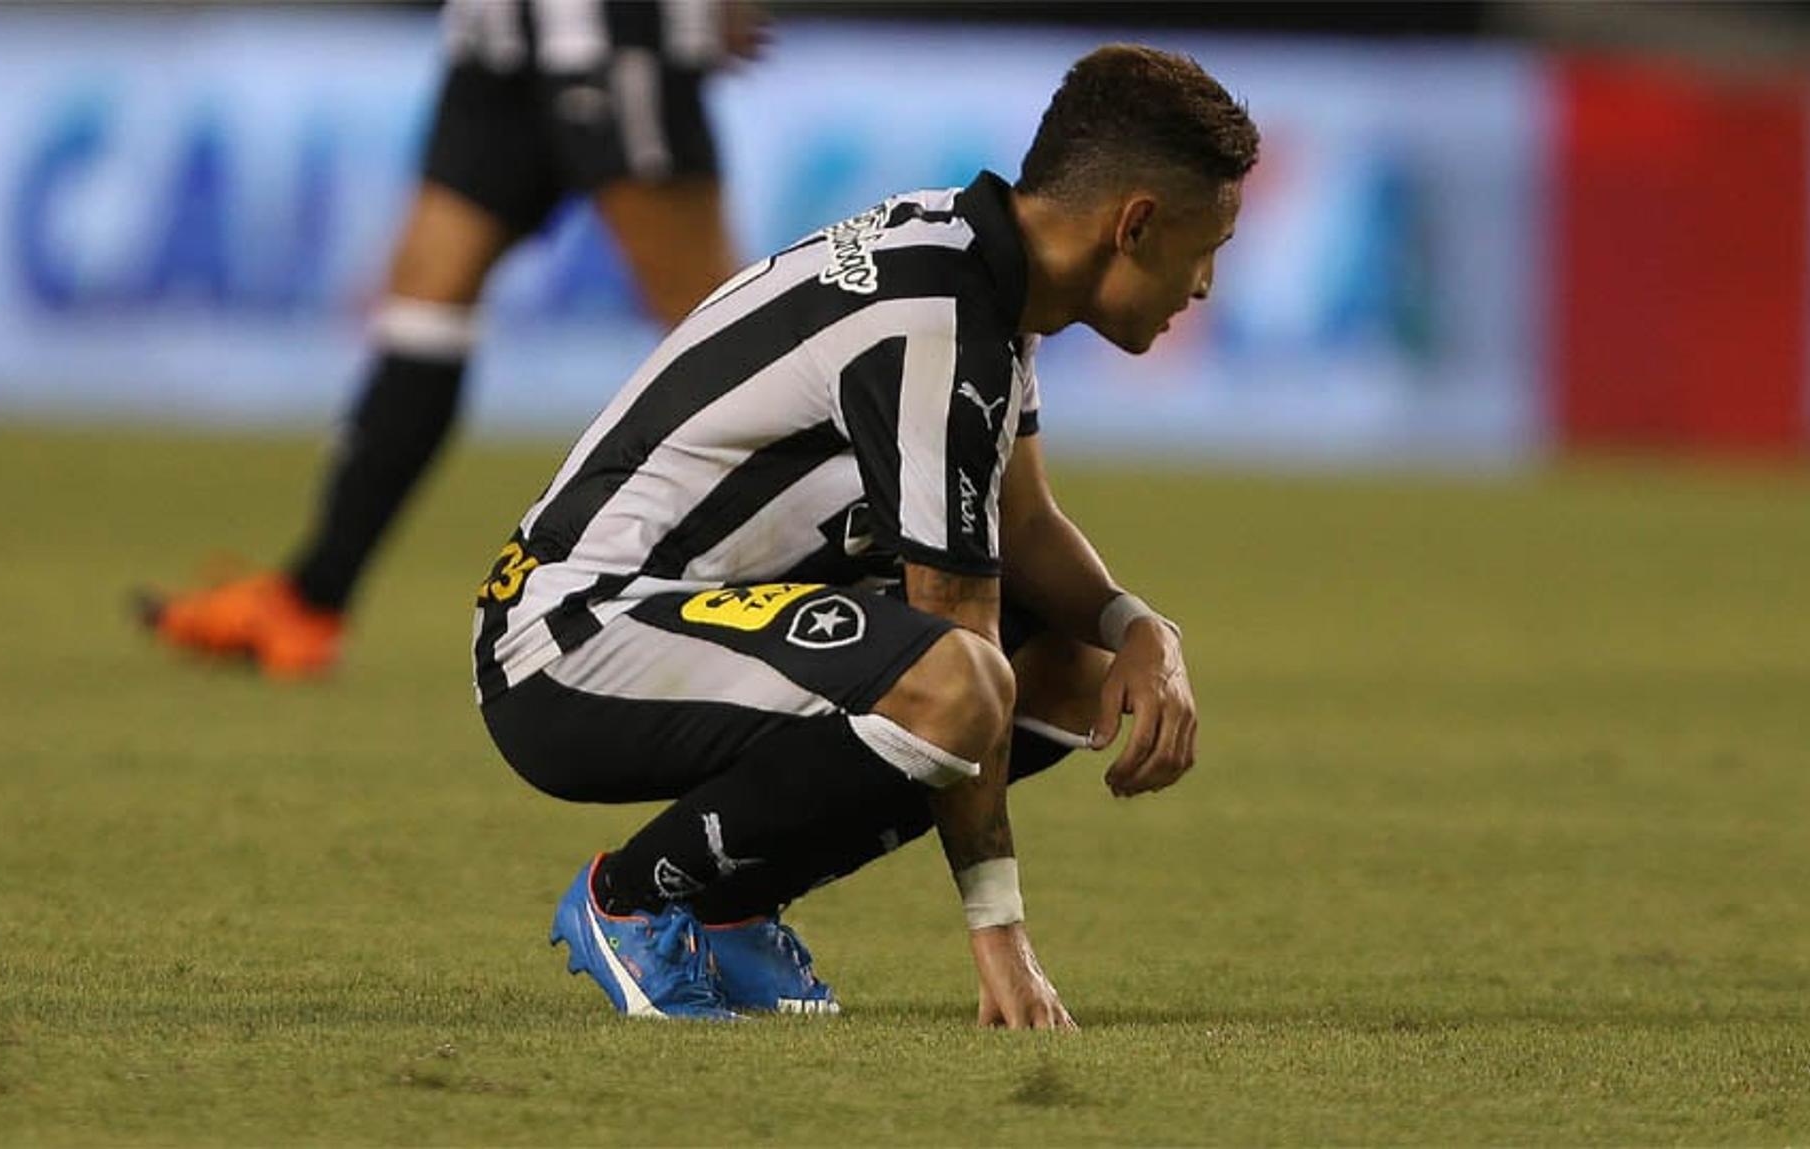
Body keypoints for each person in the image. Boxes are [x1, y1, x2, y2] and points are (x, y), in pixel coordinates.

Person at [477, 44, 1258, 1026]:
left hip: (671, 615)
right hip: (573, 643)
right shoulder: (938, 320)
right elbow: (958, 647)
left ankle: (724, 907)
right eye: (1207, 247)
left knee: (1072, 669)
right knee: (961, 681)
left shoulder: (981, 271)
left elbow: (1020, 521)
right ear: (1136, 224)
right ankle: (633, 900)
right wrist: (1000, 932)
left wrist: (1138, 625)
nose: (1205, 286)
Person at [138, 0, 766, 677]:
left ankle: (846, 588)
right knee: (425, 297)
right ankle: (311, 599)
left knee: (715, 320)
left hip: (610, 27)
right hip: (499, 32)